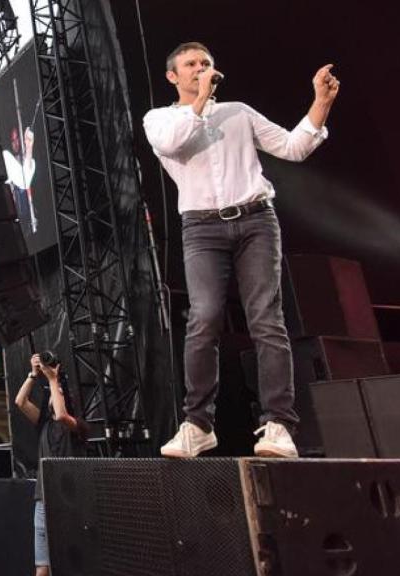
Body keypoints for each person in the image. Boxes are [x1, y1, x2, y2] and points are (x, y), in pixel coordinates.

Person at [142, 42, 340, 459]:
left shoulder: (238, 112)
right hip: (201, 227)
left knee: (267, 319)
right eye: (191, 65)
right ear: (172, 77)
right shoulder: (159, 119)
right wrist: (199, 102)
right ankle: (197, 423)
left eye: (207, 63)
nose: (200, 69)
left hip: (255, 220)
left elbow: (293, 147)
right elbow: (174, 143)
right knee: (205, 317)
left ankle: (278, 425)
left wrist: (319, 104)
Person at [13, 352, 86, 576]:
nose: (57, 395)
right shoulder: (43, 423)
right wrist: (33, 375)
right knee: (42, 567)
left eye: (61, 393)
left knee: (71, 563)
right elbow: (20, 401)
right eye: (55, 393)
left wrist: (55, 380)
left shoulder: (78, 427)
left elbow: (62, 415)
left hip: (70, 500)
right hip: (43, 499)